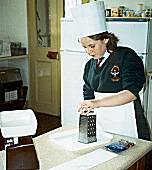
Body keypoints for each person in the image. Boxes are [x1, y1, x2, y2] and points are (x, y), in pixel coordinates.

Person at [72, 1, 150, 140]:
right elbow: (88, 92)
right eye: (85, 47)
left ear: (105, 39)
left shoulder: (126, 56)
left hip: (127, 122)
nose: (89, 51)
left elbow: (131, 93)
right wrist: (87, 106)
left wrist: (97, 103)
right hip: (102, 123)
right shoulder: (89, 66)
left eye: (92, 46)